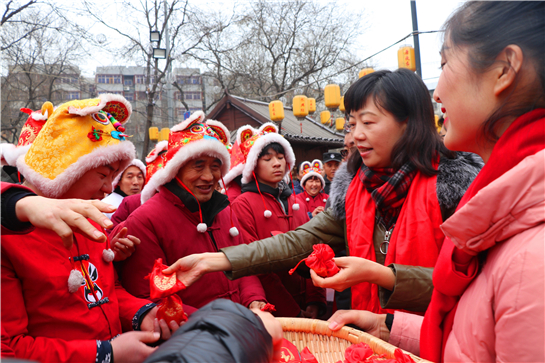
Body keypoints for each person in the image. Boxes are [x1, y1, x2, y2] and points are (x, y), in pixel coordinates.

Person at [163, 68, 484, 316]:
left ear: (409, 123)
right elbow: (298, 241)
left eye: (369, 123)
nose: (356, 135)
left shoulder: (457, 188)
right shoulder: (354, 188)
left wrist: (381, 275)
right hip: (370, 334)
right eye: (352, 123)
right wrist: (215, 260)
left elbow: (473, 282)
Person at [326, 2, 545, 362]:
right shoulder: (499, 206)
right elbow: (476, 336)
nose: (437, 92)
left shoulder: (529, 254)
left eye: (444, 64)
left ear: (504, 70)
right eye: (354, 124)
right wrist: (389, 327)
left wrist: (384, 280)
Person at [1, 95, 178, 362]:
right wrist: (106, 354)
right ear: (66, 166)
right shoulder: (9, 234)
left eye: (113, 177)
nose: (109, 189)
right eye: (103, 174)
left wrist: (143, 313)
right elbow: (10, 349)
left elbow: (107, 292)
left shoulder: (90, 220)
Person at [116, 112, 267, 315]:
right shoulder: (145, 220)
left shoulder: (225, 211)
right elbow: (149, 295)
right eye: (198, 166)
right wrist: (219, 323)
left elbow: (243, 264)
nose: (208, 176)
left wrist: (254, 299)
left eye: (215, 167)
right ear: (176, 169)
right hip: (193, 336)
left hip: (240, 325)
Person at [229, 122, 326, 318]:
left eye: (281, 157)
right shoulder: (242, 205)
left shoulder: (294, 200)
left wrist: (315, 299)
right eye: (268, 158)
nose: (277, 163)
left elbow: (312, 251)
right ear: (253, 164)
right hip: (273, 310)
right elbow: (256, 267)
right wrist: (293, 311)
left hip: (307, 306)